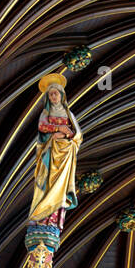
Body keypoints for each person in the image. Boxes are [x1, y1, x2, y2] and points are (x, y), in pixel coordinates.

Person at [29, 72, 82, 227]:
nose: (53, 97)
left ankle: (55, 215)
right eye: (50, 94)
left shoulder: (68, 113)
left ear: (61, 95)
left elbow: (77, 135)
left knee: (61, 185)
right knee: (49, 181)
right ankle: (42, 213)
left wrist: (66, 135)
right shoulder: (46, 112)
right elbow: (42, 127)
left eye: (55, 94)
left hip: (65, 153)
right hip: (51, 151)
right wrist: (58, 129)